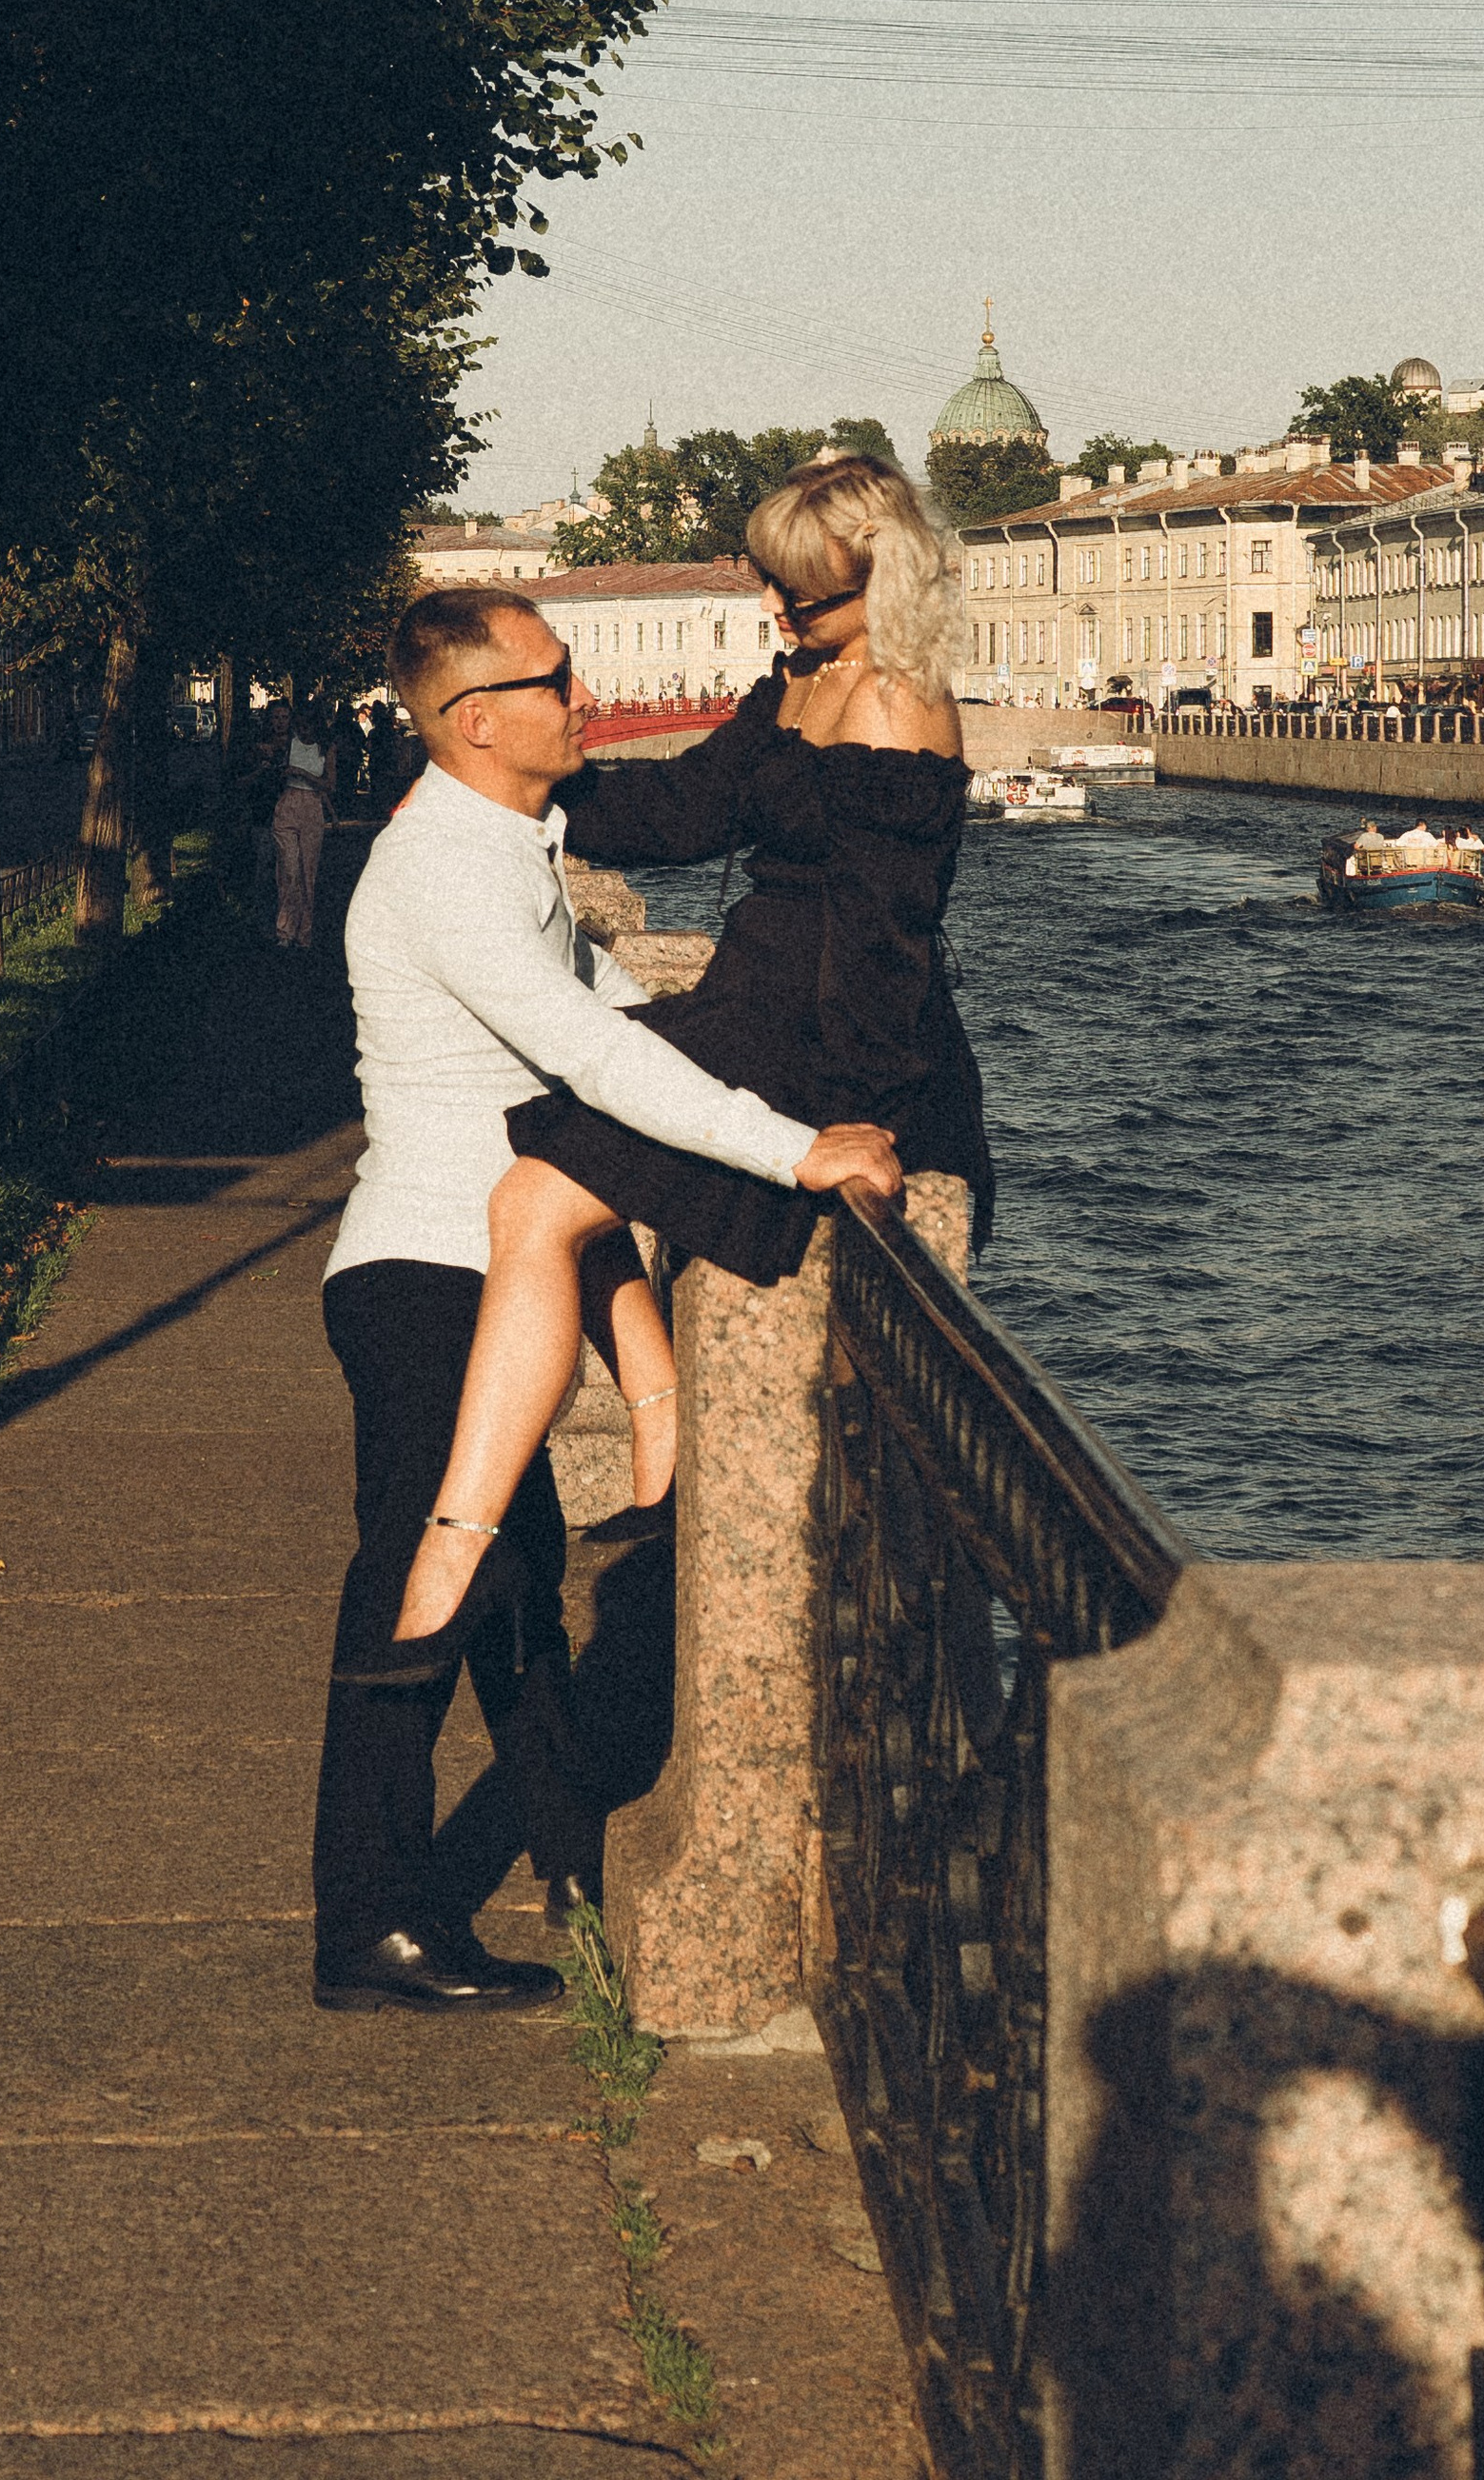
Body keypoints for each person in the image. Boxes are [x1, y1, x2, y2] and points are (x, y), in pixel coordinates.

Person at [311, 581, 901, 2015]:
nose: (585, 700)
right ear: (474, 719)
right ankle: (367, 1923)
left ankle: (567, 1854)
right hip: (428, 1271)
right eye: (558, 680)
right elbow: (594, 1058)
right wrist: (792, 1151)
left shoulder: (511, 838)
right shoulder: (449, 869)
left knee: (505, 1589)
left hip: (473, 1262)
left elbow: (632, 1015)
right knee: (419, 1578)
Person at [385, 452, 990, 1666]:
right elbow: (680, 817)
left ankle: (456, 1546)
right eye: (772, 588)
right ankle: (648, 1441)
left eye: (803, 596)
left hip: (827, 1041)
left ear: (886, 578)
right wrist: (497, 789)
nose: (779, 613)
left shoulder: (896, 705)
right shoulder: (806, 679)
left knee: (539, 1199)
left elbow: (884, 945)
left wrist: (840, 1127)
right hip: (750, 1006)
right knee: (556, 1158)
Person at [271, 697, 334, 951]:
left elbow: (330, 784)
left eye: (308, 726)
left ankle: (303, 932)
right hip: (288, 805)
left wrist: (303, 773)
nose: (303, 730)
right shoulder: (290, 743)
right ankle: (284, 929)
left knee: (308, 873)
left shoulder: (325, 748)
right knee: (288, 869)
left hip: (311, 808)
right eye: (300, 725)